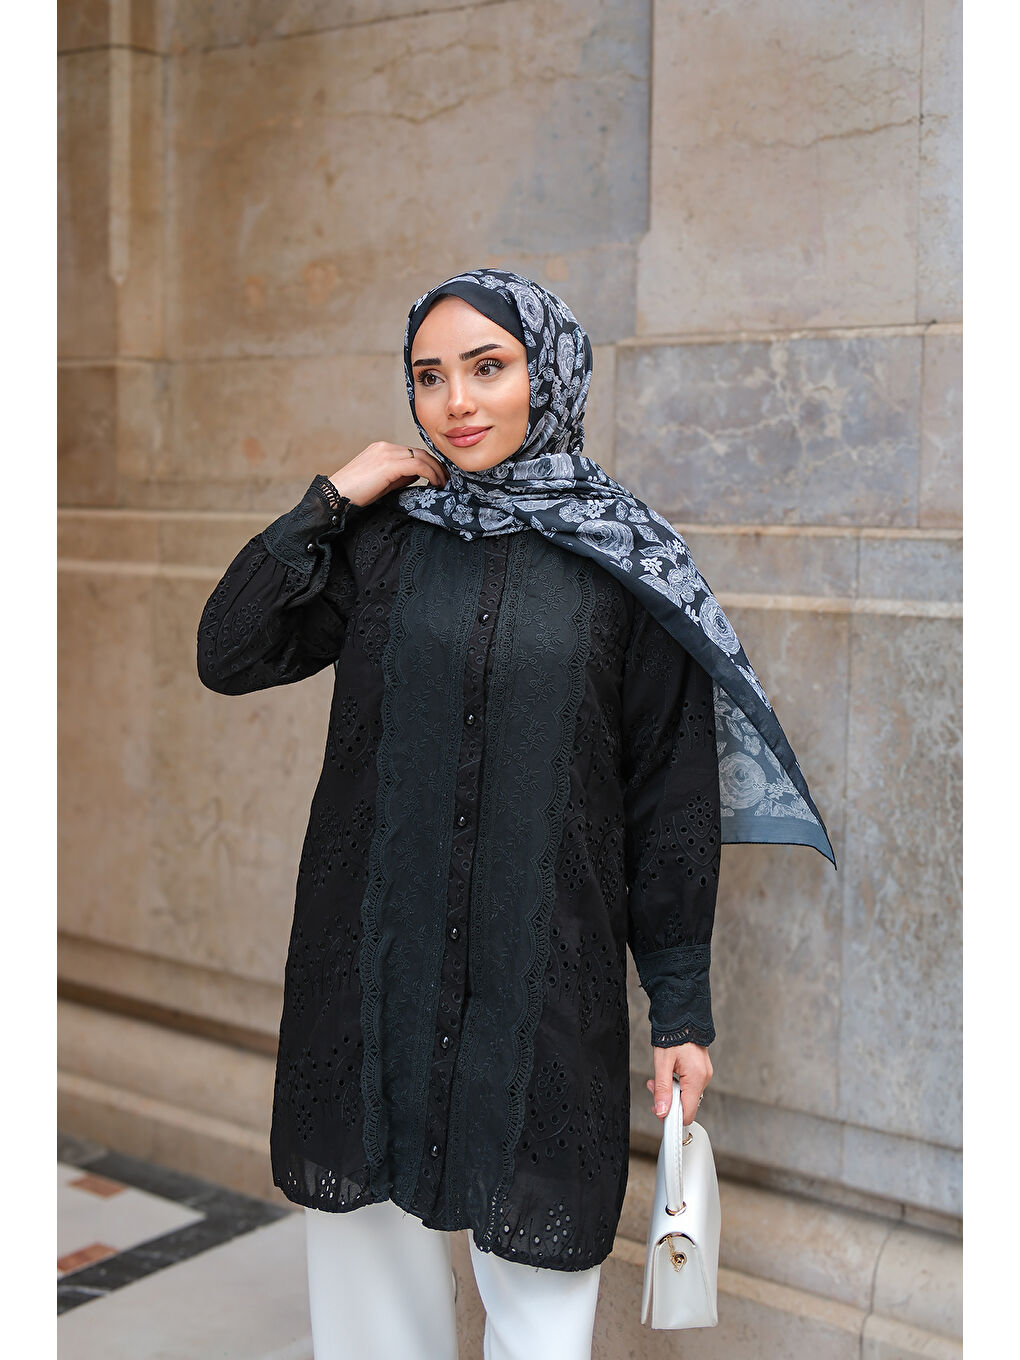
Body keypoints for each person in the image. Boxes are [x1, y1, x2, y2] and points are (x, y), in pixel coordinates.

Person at [196, 268, 834, 1359]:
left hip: (540, 991)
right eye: (429, 376)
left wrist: (680, 1013)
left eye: (487, 368)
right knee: (368, 1297)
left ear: (550, 374)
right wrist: (332, 499)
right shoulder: (382, 542)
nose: (456, 402)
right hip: (374, 979)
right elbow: (230, 651)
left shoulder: (628, 560)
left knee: (540, 1301)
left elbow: (669, 804)